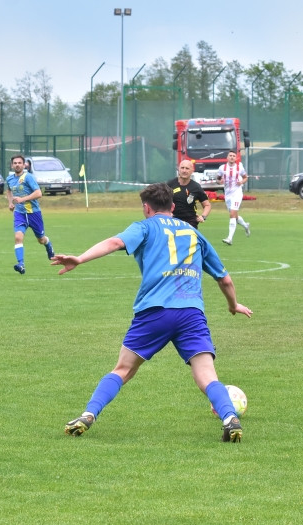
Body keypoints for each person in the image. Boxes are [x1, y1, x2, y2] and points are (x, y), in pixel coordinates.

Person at [52, 182, 253, 443]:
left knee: (123, 369)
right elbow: (224, 280)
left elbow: (114, 242)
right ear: (172, 206)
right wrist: (232, 305)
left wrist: (79, 258)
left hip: (154, 312)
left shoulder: (143, 227)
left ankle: (88, 414)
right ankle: (229, 417)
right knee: (206, 375)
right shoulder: (194, 234)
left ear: (147, 208)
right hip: (191, 313)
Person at [4, 154, 54, 274]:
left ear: (24, 165)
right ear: (12, 165)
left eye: (19, 163)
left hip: (34, 213)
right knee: (18, 237)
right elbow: (9, 191)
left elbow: (38, 193)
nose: (17, 165)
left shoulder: (28, 177)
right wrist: (11, 203)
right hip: (19, 214)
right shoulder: (9, 179)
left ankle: (48, 245)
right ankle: (21, 264)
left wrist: (22, 199)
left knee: (41, 240)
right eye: (15, 163)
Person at [166, 159, 212, 229]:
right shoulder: (170, 184)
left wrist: (203, 216)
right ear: (178, 169)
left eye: (187, 168)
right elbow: (162, 202)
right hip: (173, 221)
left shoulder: (196, 187)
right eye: (182, 168)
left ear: (192, 171)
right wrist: (167, 213)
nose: (184, 171)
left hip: (190, 223)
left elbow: (207, 205)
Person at [218, 150, 250, 245]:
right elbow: (218, 179)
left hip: (237, 193)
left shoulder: (239, 167)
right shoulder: (222, 168)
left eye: (233, 156)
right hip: (227, 194)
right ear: (227, 158)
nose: (232, 157)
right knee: (234, 216)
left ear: (236, 158)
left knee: (232, 214)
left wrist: (241, 182)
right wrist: (220, 181)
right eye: (230, 155)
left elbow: (245, 177)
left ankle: (229, 238)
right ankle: (245, 225)